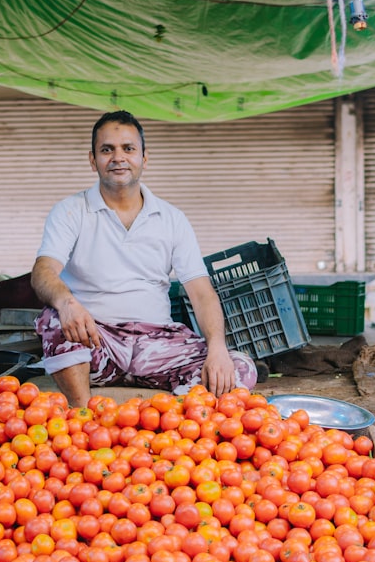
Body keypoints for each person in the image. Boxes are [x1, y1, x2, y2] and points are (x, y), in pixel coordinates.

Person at [30, 110, 258, 407]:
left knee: (238, 369)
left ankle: (170, 422)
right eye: (106, 149)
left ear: (144, 158)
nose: (118, 158)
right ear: (92, 159)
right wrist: (67, 303)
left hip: (159, 345)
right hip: (98, 341)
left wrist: (217, 348)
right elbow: (43, 271)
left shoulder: (172, 218)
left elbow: (202, 294)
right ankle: (83, 415)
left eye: (128, 149)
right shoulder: (71, 210)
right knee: (54, 319)